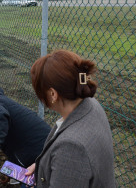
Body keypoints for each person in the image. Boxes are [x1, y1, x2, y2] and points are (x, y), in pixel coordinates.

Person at [28, 50, 116, 187]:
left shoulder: (70, 147)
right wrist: (45, 170)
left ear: (52, 94)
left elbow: (71, 160)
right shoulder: (90, 104)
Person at [0, 85, 50, 185]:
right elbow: (14, 143)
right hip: (43, 147)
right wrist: (10, 172)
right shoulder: (1, 101)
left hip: (42, 154)